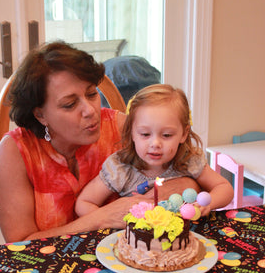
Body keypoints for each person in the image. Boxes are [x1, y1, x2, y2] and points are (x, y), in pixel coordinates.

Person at [0, 43, 200, 242]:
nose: (91, 110)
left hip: (126, 260)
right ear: (40, 115)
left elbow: (191, 174)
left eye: (92, 94)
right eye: (70, 104)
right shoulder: (16, 152)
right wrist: (101, 218)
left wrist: (180, 186)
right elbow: (20, 244)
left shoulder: (120, 127)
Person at [75, 84, 234, 217]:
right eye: (145, 134)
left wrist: (208, 202)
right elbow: (84, 204)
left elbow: (224, 188)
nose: (155, 143)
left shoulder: (189, 160)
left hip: (185, 243)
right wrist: (110, 219)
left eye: (166, 135)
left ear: (183, 134)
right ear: (131, 132)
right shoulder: (120, 167)